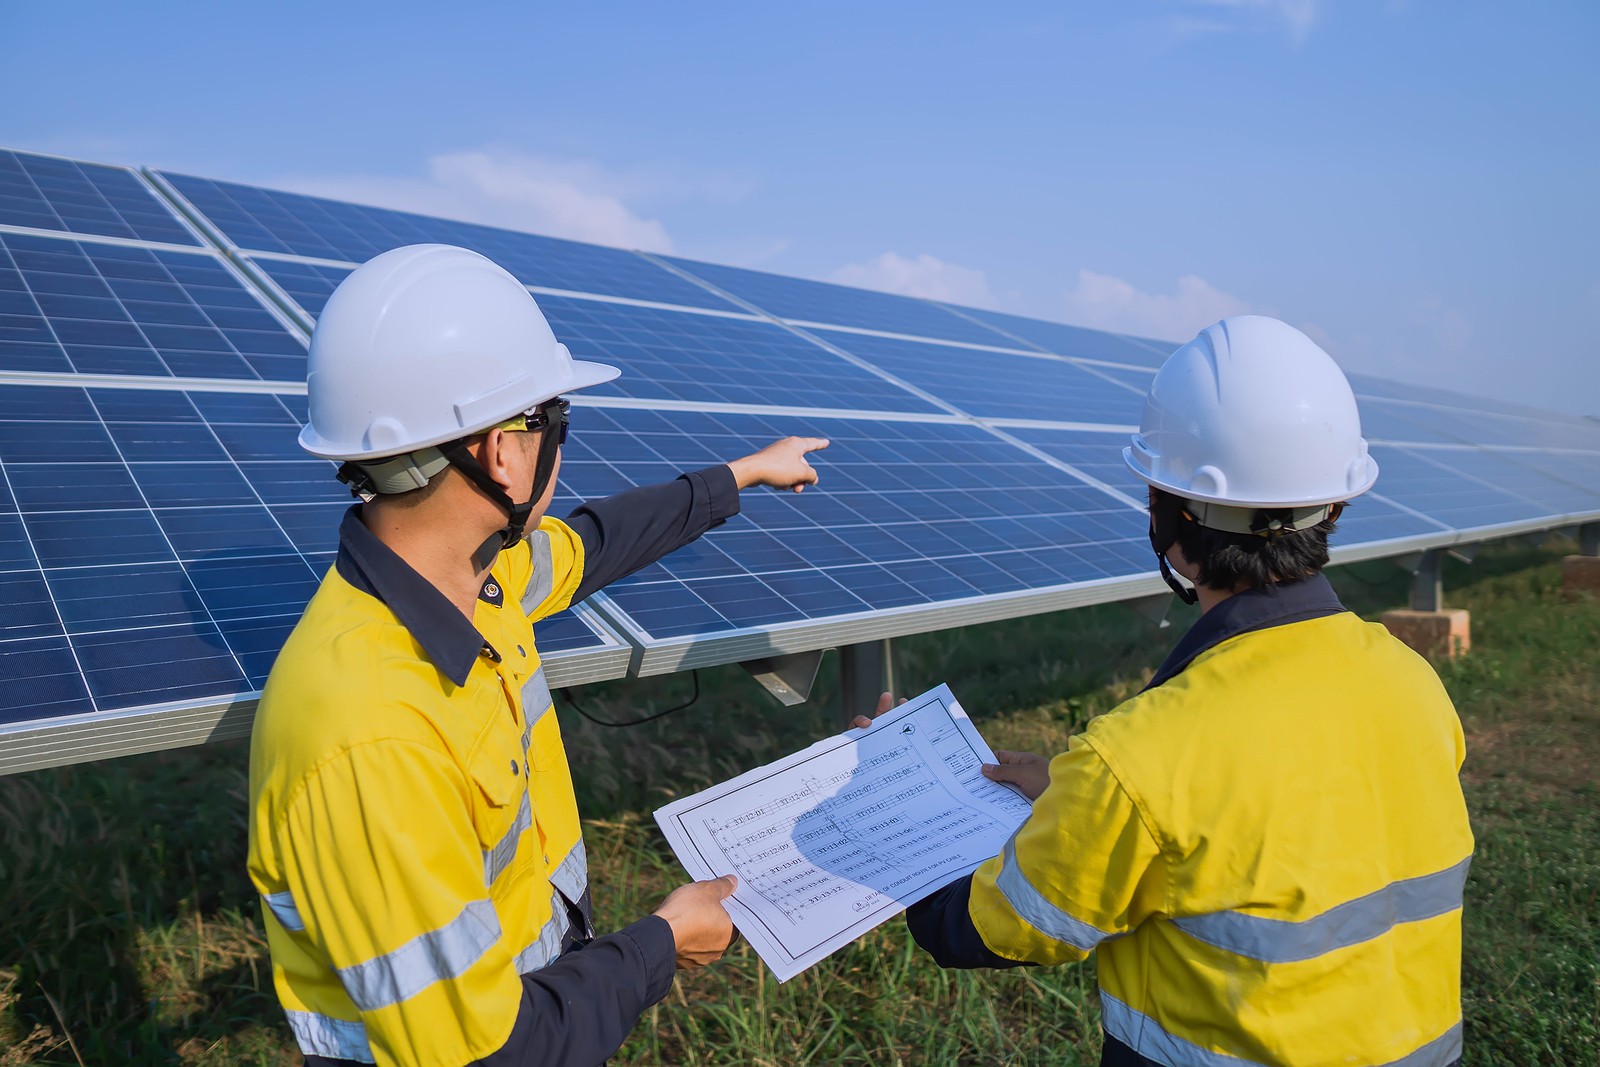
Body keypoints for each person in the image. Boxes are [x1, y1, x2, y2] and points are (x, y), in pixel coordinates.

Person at [247, 244, 829, 1067]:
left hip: (538, 985)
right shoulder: (368, 736)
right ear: (502, 452)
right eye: (554, 417)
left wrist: (741, 476)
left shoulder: (478, 582)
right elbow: (488, 1055)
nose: (563, 439)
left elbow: (595, 542)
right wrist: (660, 944)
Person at [866, 317, 1474, 1067]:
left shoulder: (1139, 758)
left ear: (1166, 517)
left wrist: (900, 811)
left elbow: (988, 928)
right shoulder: (1413, 681)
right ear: (1334, 507)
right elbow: (1281, 816)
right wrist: (1072, 794)